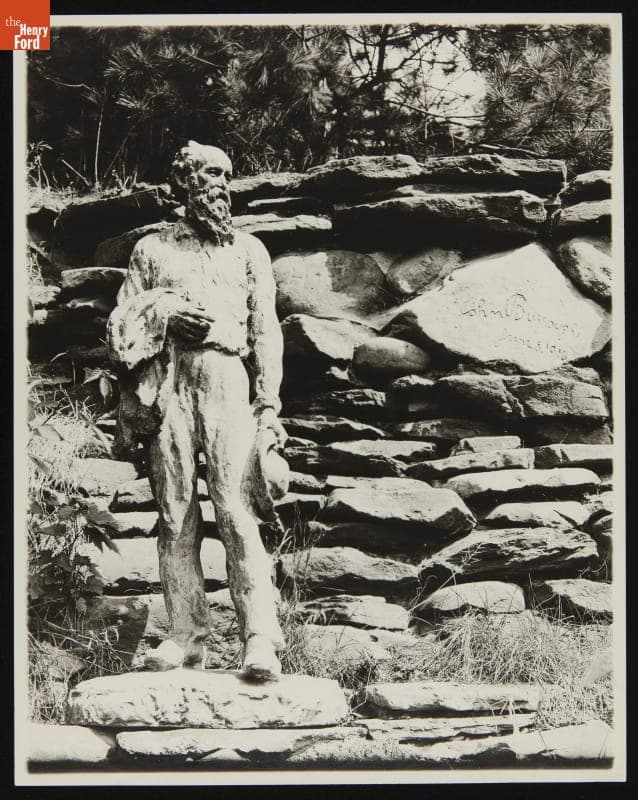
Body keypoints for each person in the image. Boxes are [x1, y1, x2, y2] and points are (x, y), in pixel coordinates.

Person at [107, 141, 287, 681]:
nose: (220, 184)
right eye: (209, 173)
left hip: (227, 379)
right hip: (171, 383)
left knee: (237, 511)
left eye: (226, 175)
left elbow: (266, 333)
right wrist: (165, 315)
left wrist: (269, 406)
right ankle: (185, 636)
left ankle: (260, 638)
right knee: (175, 515)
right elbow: (121, 322)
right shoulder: (152, 250)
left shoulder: (248, 251)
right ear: (184, 180)